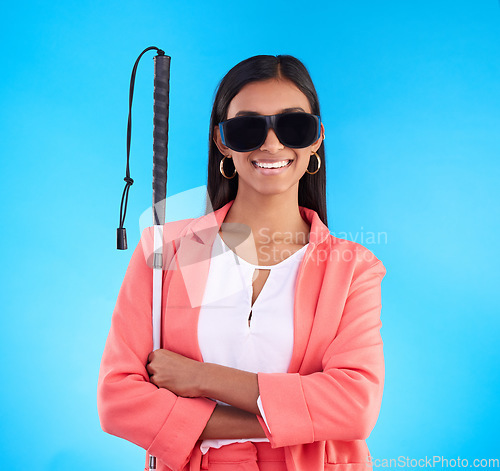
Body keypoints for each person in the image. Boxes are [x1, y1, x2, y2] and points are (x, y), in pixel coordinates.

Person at [97, 54, 387, 471]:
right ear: (223, 142)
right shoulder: (167, 251)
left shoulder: (352, 268)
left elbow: (355, 406)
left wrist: (201, 378)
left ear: (317, 138)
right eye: (247, 127)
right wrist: (287, 418)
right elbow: (118, 400)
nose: (271, 144)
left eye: (293, 126)